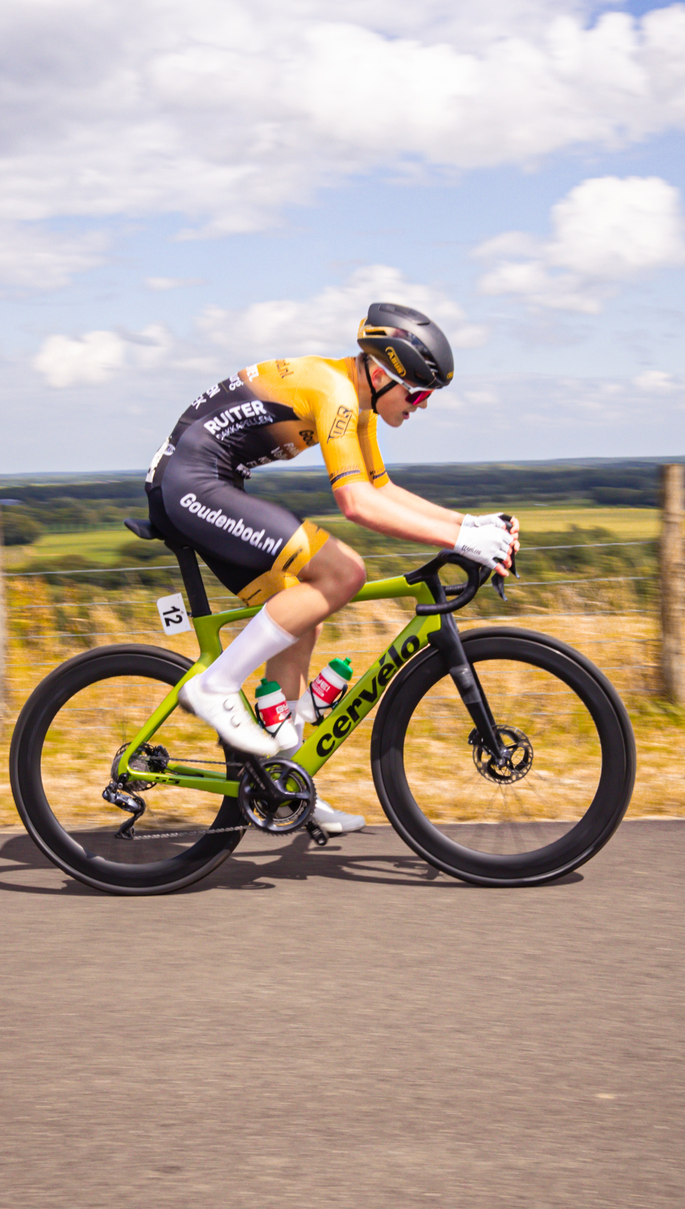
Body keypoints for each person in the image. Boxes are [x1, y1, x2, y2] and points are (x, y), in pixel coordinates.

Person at [146, 302, 519, 837]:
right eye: (415, 393)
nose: (421, 406)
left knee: (301, 617)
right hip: (190, 484)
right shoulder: (336, 393)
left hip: (205, 484)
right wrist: (460, 538)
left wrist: (472, 525)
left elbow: (382, 488)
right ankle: (216, 684)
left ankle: (287, 781)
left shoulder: (357, 400)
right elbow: (357, 505)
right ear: (381, 372)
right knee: (344, 572)